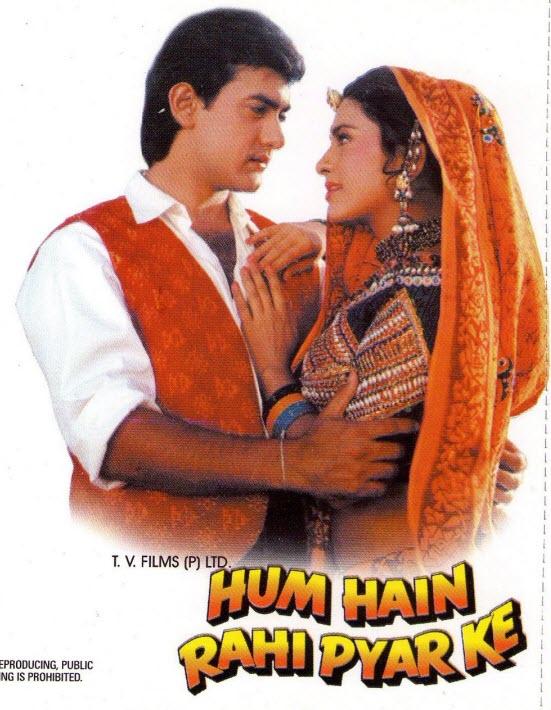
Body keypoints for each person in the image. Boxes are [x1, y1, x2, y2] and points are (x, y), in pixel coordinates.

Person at [17, 12, 419, 564]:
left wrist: (454, 445)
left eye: (281, 115)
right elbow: (114, 439)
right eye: (257, 109)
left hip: (306, 570)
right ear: (185, 105)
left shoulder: (291, 246)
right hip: (156, 576)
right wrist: (293, 464)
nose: (276, 138)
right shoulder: (82, 250)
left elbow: (375, 376)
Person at [235, 66, 547, 573]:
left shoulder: (417, 299)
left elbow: (346, 475)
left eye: (343, 138)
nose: (322, 162)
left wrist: (274, 374)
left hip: (391, 585)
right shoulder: (407, 282)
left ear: (407, 156)